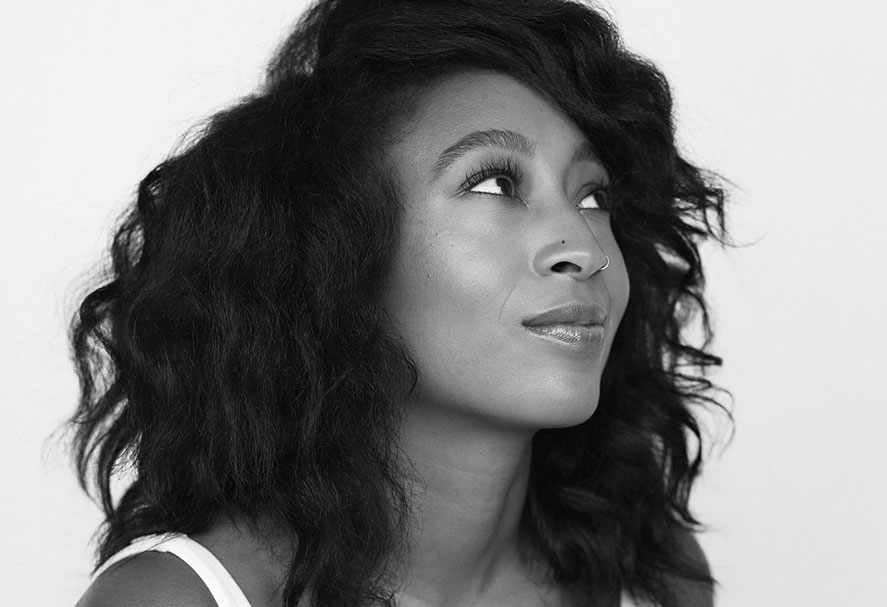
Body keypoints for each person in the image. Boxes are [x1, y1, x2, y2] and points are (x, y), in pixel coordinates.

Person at [69, 1, 727, 606]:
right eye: (496, 183)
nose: (583, 248)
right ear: (333, 251)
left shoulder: (652, 576)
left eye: (593, 196)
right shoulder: (179, 597)